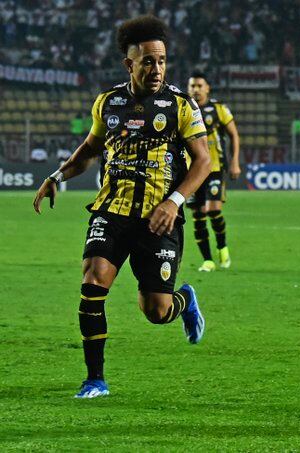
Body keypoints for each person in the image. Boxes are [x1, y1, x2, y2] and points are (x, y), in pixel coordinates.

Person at [32, 15, 212, 399]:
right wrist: (56, 176)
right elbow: (88, 151)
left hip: (158, 218)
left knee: (156, 312)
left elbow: (203, 162)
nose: (156, 69)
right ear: (129, 64)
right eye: (147, 61)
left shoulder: (180, 105)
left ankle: (184, 299)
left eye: (162, 60)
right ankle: (95, 379)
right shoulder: (108, 102)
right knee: (93, 281)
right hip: (111, 211)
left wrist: (174, 201)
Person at [185, 72, 241, 272]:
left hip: (215, 168)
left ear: (207, 88)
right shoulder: (183, 109)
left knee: (213, 210)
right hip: (191, 171)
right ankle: (207, 260)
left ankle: (222, 247)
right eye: (192, 86)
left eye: (200, 85)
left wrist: (234, 162)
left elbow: (234, 135)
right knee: (198, 215)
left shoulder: (218, 109)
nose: (196, 89)